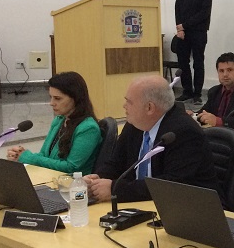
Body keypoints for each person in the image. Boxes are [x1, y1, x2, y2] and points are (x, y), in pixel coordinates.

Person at [85, 74, 220, 203]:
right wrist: (97, 179)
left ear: (149, 108)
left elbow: (171, 185)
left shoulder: (184, 132)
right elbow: (115, 163)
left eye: (129, 102)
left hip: (188, 206)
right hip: (143, 204)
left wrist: (115, 189)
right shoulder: (135, 125)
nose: (124, 106)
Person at [6, 71, 102, 174]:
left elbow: (71, 167)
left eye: (57, 98)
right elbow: (44, 155)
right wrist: (20, 155)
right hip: (51, 176)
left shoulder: (88, 128)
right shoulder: (59, 120)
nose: (51, 103)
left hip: (73, 181)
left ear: (75, 98)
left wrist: (29, 157)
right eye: (50, 97)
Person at [174, 0, 213, 106]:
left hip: (198, 32)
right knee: (183, 62)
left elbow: (204, 13)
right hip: (183, 33)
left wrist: (185, 25)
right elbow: (177, 9)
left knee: (198, 62)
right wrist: (180, 29)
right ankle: (187, 91)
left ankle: (197, 94)